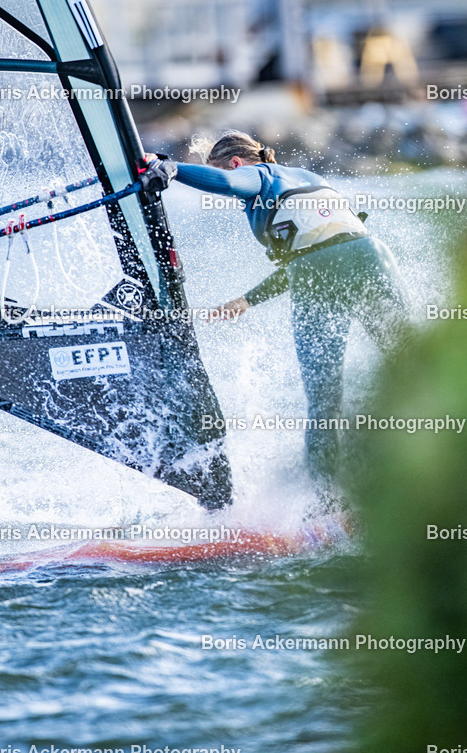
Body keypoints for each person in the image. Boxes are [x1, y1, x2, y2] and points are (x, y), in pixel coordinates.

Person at [142, 131, 407, 490]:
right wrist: (248, 299)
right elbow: (317, 246)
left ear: (236, 161)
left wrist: (170, 168)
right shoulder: (310, 177)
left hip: (317, 273)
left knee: (323, 400)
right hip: (370, 256)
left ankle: (323, 503)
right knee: (413, 368)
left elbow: (228, 181)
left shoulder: (259, 174)